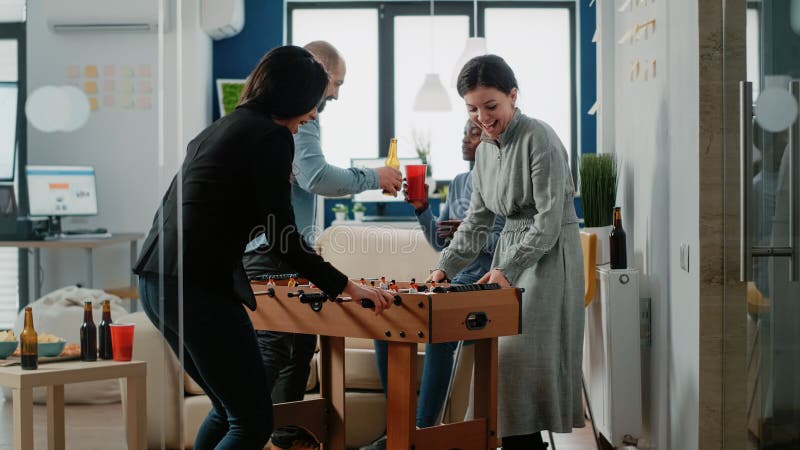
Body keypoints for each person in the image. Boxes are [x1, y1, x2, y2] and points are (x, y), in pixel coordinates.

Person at [133, 45, 394, 450]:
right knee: (253, 421)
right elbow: (283, 237)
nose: (312, 115)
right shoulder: (271, 136)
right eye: (315, 103)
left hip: (156, 282)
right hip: (196, 287)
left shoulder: (225, 126)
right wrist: (347, 286)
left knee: (228, 410)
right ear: (294, 97)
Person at [429, 55, 585, 450]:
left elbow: (549, 223)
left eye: (491, 106)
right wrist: (443, 269)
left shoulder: (540, 138)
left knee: (517, 367)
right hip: (509, 258)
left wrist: (509, 268)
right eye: (472, 109)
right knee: (500, 368)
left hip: (548, 258)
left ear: (513, 95)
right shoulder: (484, 151)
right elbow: (477, 222)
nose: (482, 116)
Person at [242, 41, 403, 413]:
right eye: (338, 84)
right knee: (277, 350)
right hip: (274, 253)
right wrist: (374, 176)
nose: (336, 94)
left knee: (296, 347)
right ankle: (249, 428)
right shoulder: (304, 112)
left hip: (273, 249)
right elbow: (315, 177)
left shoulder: (275, 114)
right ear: (319, 71)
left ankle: (283, 435)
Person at [360, 119, 505, 450]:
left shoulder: (504, 184)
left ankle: (420, 435)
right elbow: (442, 245)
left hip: (484, 287)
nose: (465, 140)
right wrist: (423, 210)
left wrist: (470, 236)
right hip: (449, 283)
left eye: (473, 133)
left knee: (439, 333)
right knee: (386, 322)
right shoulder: (458, 182)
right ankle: (398, 431)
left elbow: (506, 244)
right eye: (464, 132)